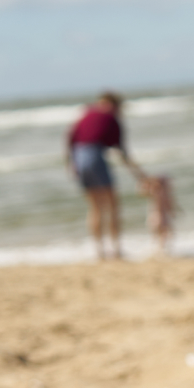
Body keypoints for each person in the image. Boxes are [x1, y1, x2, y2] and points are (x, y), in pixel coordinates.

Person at [65, 92, 149, 261]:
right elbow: (123, 153)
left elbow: (70, 139)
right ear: (115, 105)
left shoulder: (86, 114)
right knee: (113, 205)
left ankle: (99, 251)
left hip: (79, 158)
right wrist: (140, 176)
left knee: (95, 207)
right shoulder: (111, 118)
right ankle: (116, 249)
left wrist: (71, 164)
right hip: (95, 156)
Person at [143, 173, 178, 257]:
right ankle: (161, 249)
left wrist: (148, 182)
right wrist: (173, 213)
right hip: (161, 218)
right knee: (165, 234)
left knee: (156, 235)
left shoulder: (154, 193)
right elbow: (169, 206)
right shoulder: (164, 194)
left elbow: (143, 191)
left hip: (152, 218)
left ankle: (156, 248)